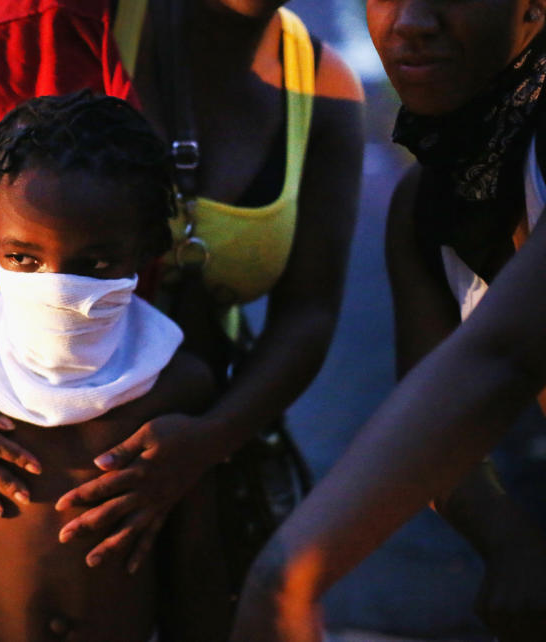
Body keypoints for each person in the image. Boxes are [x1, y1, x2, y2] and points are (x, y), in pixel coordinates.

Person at [0, 0, 365, 584]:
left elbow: (308, 314)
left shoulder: (324, 92)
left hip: (168, 429)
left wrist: (213, 435)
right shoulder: (59, 17)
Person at [228, 0, 546, 640]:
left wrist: (286, 576)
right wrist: (509, 541)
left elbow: (499, 356)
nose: (410, 23)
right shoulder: (429, 202)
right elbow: (440, 430)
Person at [0, 91, 232, 642]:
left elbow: (197, 569)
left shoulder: (175, 387)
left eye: (94, 264)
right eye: (24, 258)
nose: (58, 288)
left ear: (147, 249)